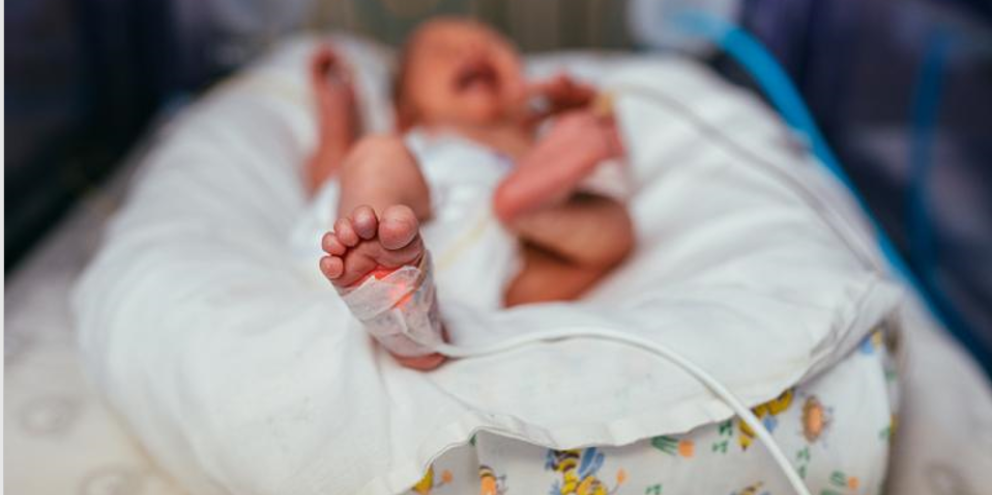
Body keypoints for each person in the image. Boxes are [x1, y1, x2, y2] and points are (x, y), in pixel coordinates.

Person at [309, 18, 634, 369]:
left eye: (493, 46)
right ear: (404, 112)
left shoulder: (536, 141)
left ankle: (417, 318)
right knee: (374, 159)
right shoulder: (414, 137)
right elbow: (332, 180)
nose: (472, 51)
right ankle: (383, 279)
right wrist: (338, 119)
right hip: (415, 220)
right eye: (442, 51)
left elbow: (609, 173)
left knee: (617, 223)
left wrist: (583, 116)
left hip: (500, 268)